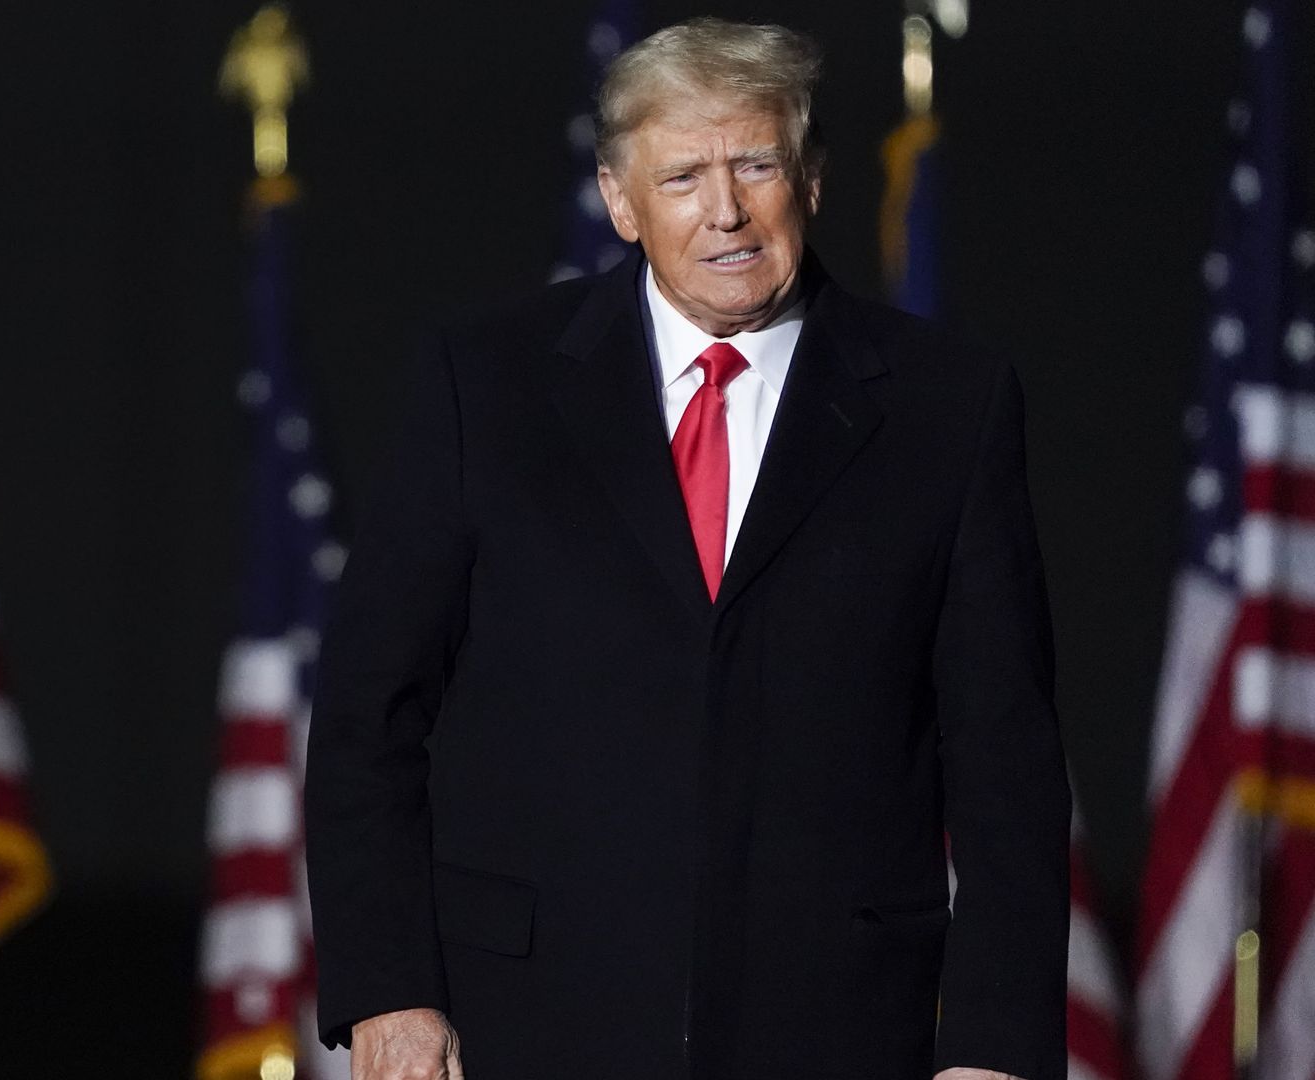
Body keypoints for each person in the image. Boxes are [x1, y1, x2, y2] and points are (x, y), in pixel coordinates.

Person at [303, 17, 1069, 1080]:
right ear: (620, 202)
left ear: (811, 178)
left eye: (755, 165)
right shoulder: (486, 387)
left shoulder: (950, 406)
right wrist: (390, 991)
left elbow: (1007, 767)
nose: (726, 211)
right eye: (682, 177)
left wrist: (992, 1048)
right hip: (529, 1023)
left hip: (841, 1029)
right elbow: (367, 716)